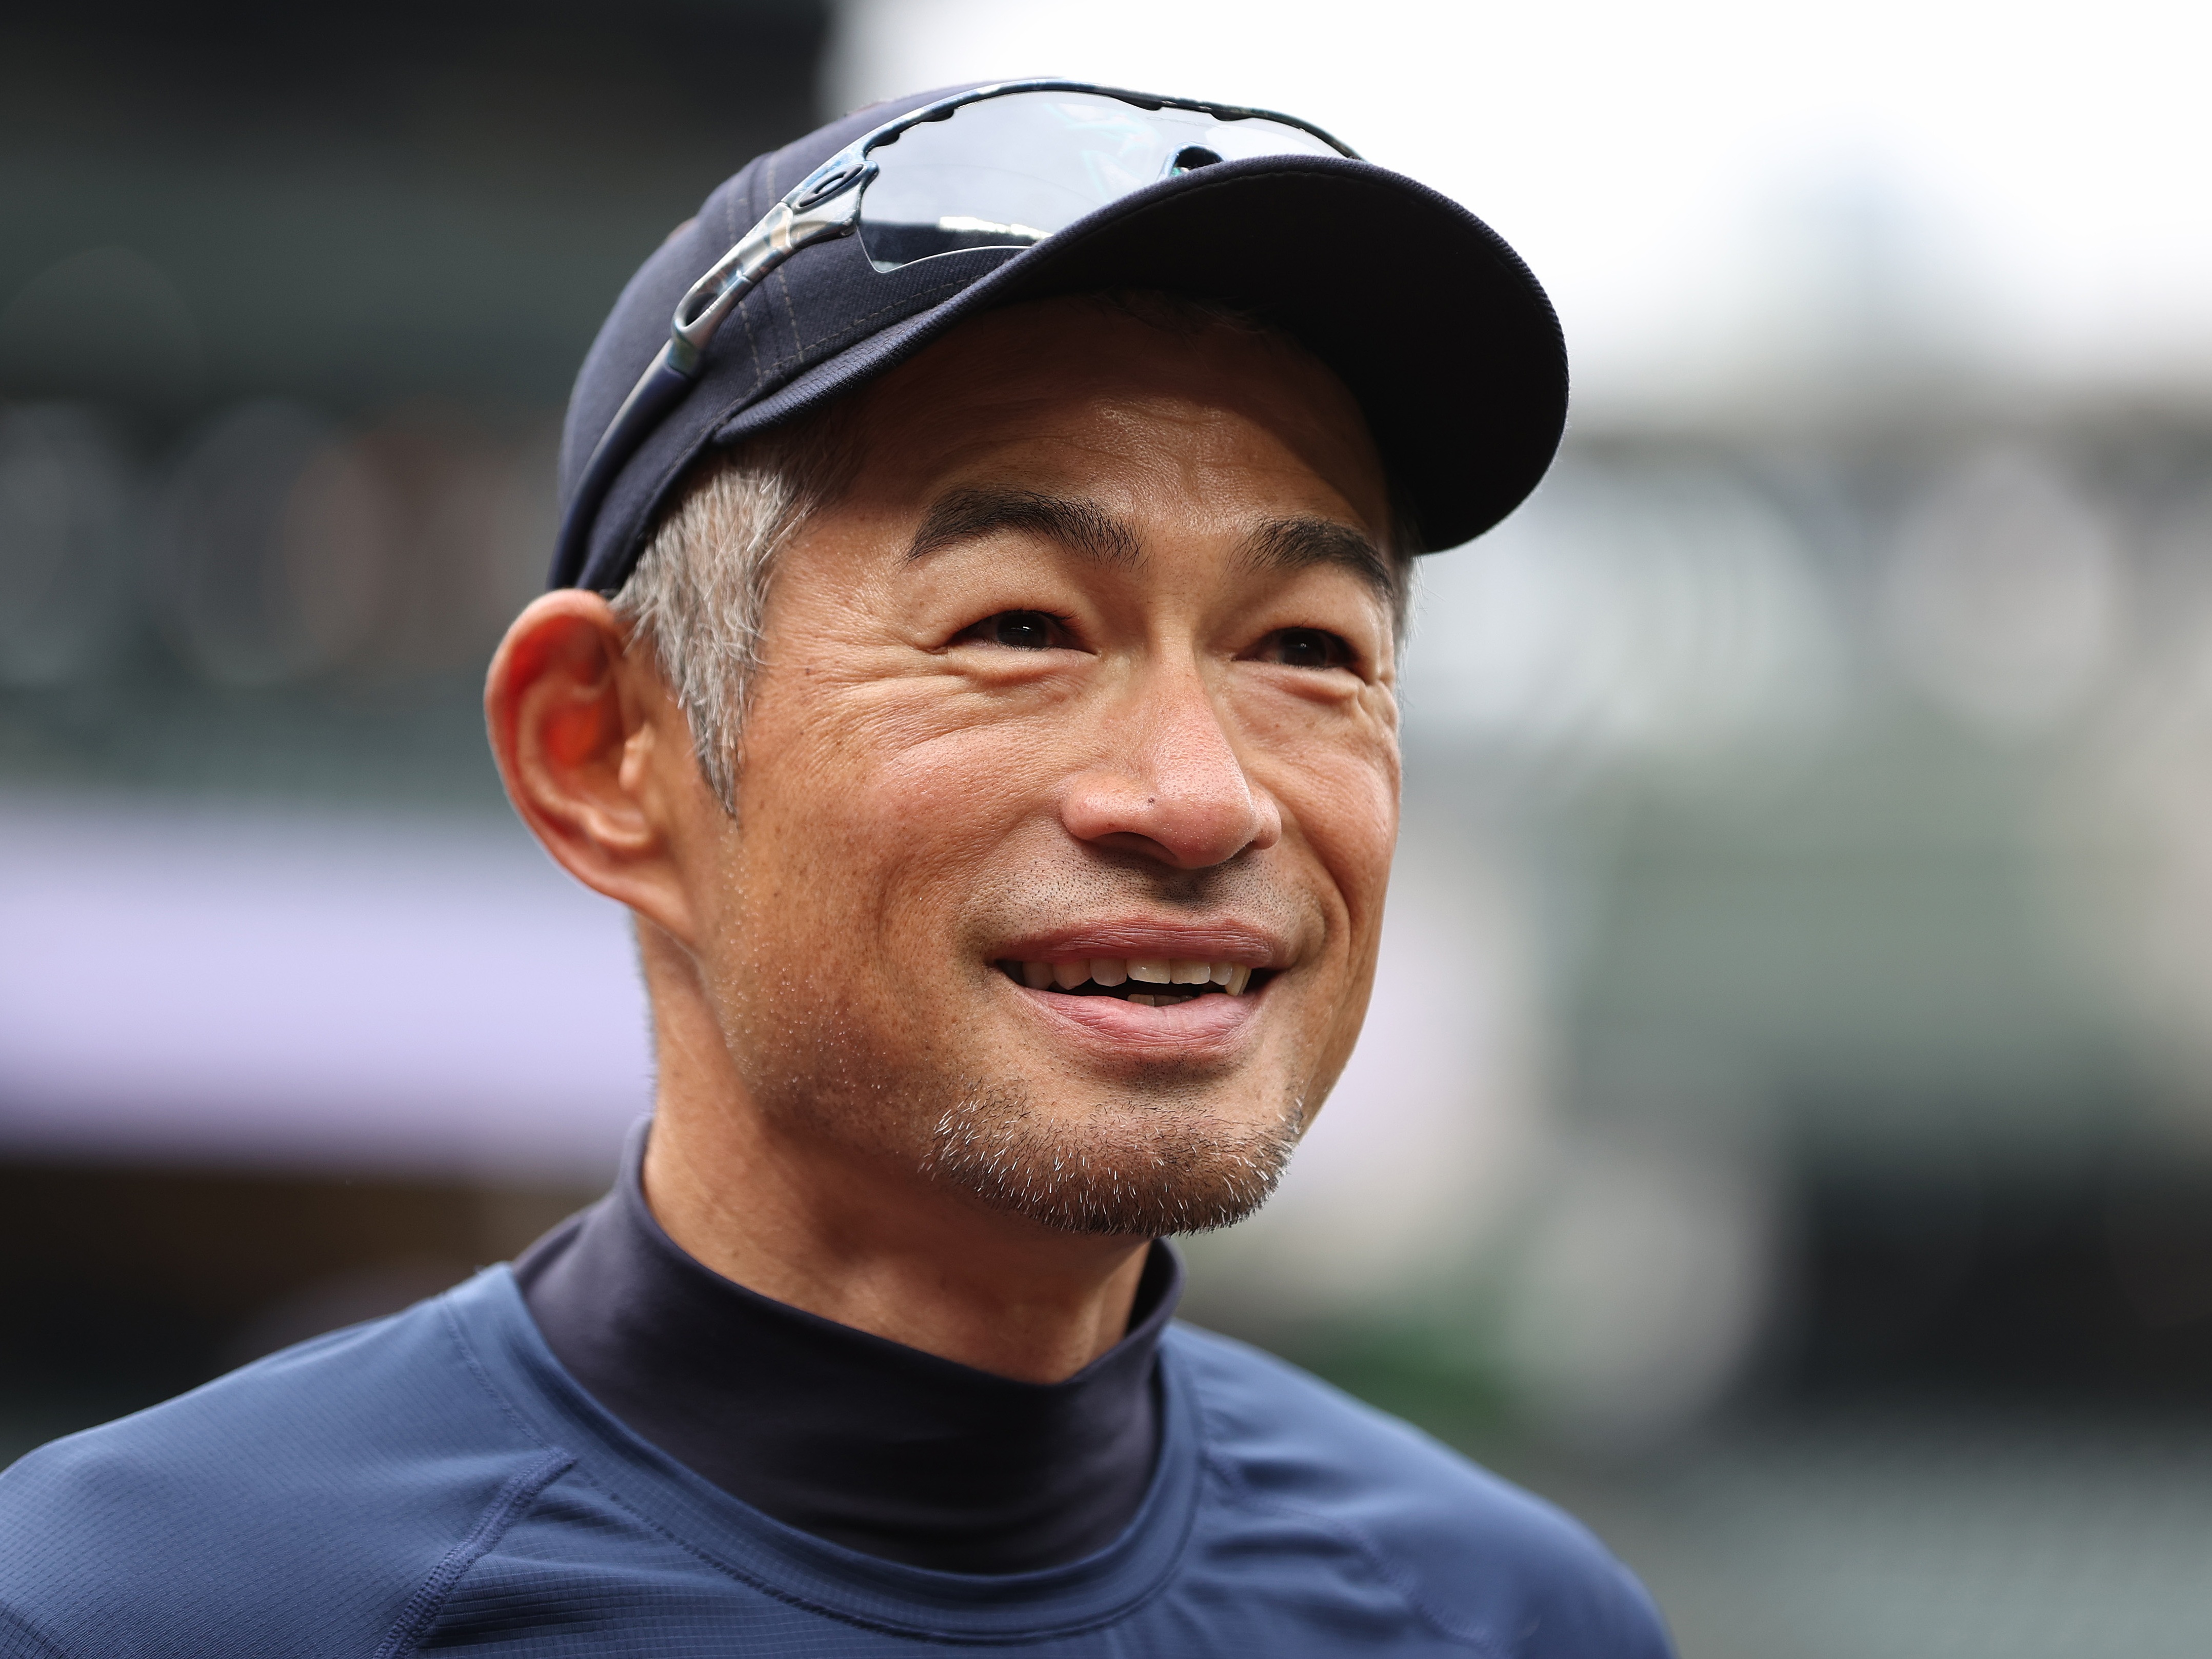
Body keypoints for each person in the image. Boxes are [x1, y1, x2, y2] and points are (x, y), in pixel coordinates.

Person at [0, 82, 1671, 1656]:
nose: (1197, 796)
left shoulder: (1505, 1616)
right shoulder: (141, 1605)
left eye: (1306, 648)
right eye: (1020, 626)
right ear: (605, 755)